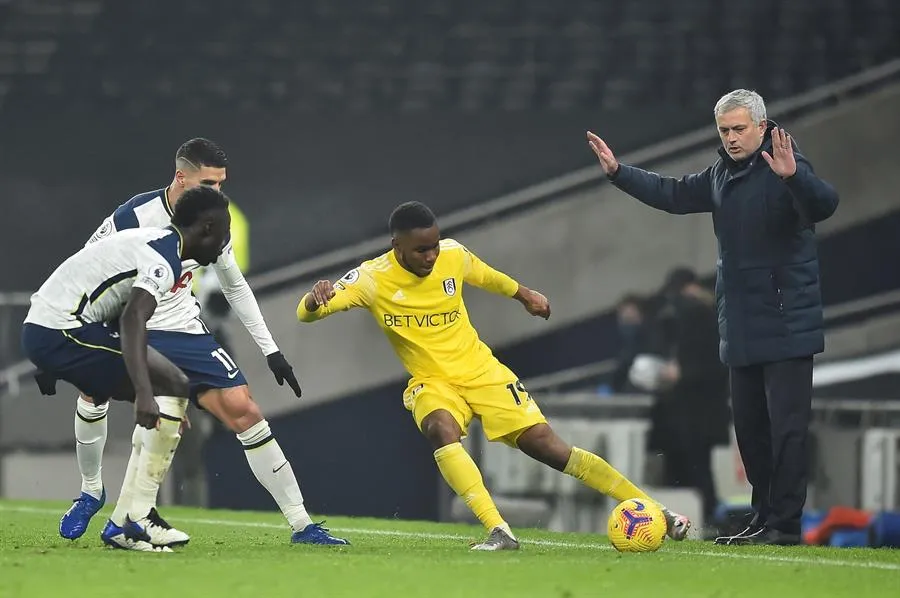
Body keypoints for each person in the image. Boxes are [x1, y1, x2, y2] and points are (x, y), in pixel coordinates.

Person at [296, 201, 691, 550]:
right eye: (421, 249)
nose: (431, 255)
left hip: (482, 371)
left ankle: (658, 511)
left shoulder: (452, 255)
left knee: (550, 448)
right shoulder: (371, 278)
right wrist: (315, 300)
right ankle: (499, 529)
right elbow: (308, 312)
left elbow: (486, 275)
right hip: (433, 382)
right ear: (396, 245)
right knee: (440, 428)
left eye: (434, 245)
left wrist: (526, 295)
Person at [62, 138, 347, 549]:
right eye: (209, 183)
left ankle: (302, 525)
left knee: (243, 410)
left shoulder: (215, 220)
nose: (218, 192)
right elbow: (83, 269)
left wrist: (271, 351)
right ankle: (92, 492)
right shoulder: (133, 217)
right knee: (95, 393)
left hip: (183, 325)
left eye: (221, 183)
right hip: (132, 322)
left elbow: (236, 286)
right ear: (181, 177)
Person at [587, 89, 839, 545]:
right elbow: (674, 193)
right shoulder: (722, 174)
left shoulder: (787, 165)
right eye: (724, 131)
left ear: (762, 127)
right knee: (751, 432)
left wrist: (793, 179)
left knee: (786, 432)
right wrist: (620, 174)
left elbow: (823, 205)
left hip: (786, 324)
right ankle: (763, 519)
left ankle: (784, 524)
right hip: (740, 325)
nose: (731, 138)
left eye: (739, 129)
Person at [22, 187, 231, 551]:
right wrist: (146, 394)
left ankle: (123, 520)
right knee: (174, 383)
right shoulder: (164, 258)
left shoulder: (155, 241)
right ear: (207, 227)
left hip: (50, 325)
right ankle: (137, 517)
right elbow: (134, 317)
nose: (225, 244)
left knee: (168, 387)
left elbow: (97, 288)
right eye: (224, 233)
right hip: (60, 330)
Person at [643, 268, 730, 530]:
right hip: (688, 413)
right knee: (689, 469)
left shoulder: (702, 316)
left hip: (698, 412)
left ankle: (709, 521)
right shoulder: (699, 315)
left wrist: (682, 373)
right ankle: (697, 521)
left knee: (697, 469)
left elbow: (715, 366)